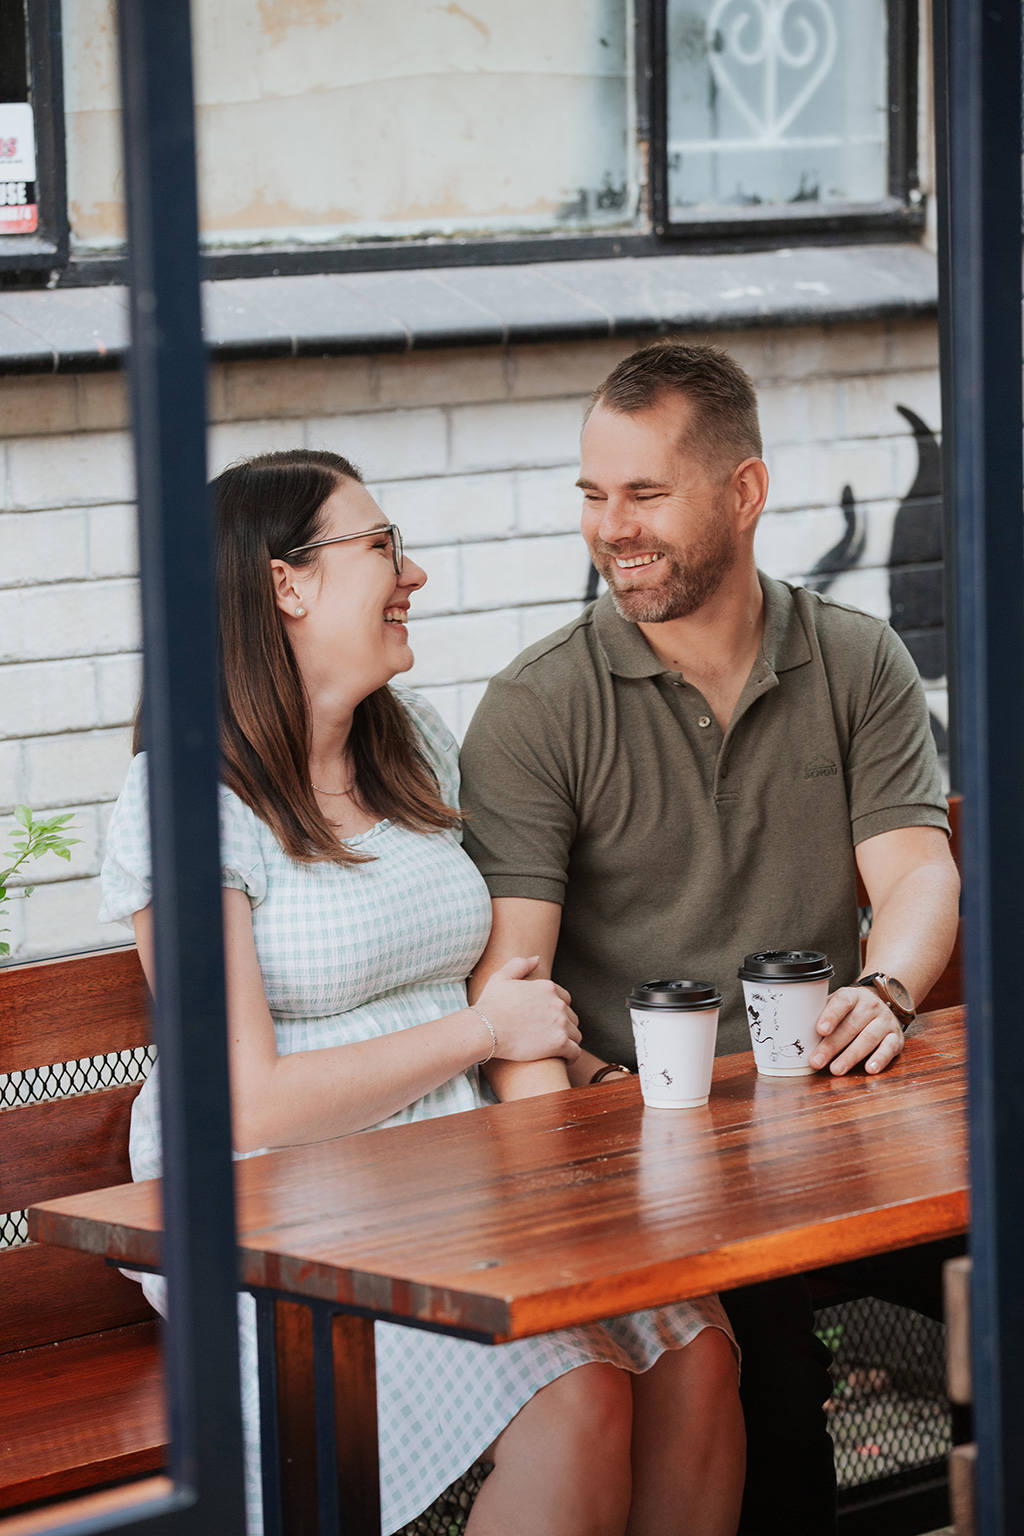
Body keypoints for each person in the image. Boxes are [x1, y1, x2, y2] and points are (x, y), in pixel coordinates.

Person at [99, 448, 745, 1536]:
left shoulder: (410, 746)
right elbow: (241, 1102)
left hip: (455, 1161)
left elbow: (503, 972)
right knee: (575, 1395)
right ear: (284, 583)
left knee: (698, 1354)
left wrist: (559, 1068)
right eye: (382, 547)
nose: (416, 574)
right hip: (274, 1202)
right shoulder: (183, 797)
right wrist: (483, 1029)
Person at [458, 342, 961, 1536]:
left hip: (838, 1147)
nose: (610, 527)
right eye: (592, 494)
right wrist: (574, 1193)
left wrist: (883, 993)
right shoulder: (539, 707)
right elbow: (509, 988)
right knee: (766, 1377)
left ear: (743, 493)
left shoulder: (851, 658)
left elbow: (918, 874)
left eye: (645, 493)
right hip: (658, 1178)